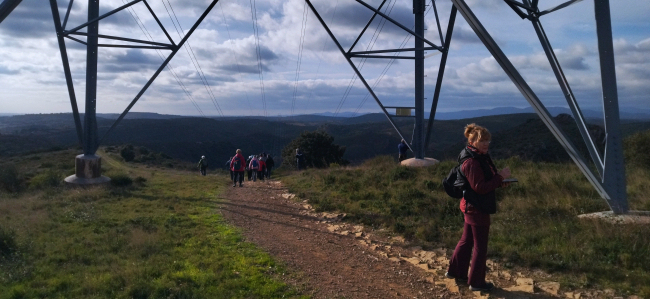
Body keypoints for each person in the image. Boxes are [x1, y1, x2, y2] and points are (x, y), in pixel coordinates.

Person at [445, 123, 511, 292]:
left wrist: (498, 181)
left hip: (471, 206)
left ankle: (455, 272)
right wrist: (500, 177)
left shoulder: (478, 157)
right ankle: (476, 282)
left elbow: (483, 183)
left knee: (467, 241)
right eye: (483, 141)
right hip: (476, 208)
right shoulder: (473, 162)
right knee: (480, 246)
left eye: (488, 141)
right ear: (472, 141)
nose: (486, 144)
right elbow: (480, 187)